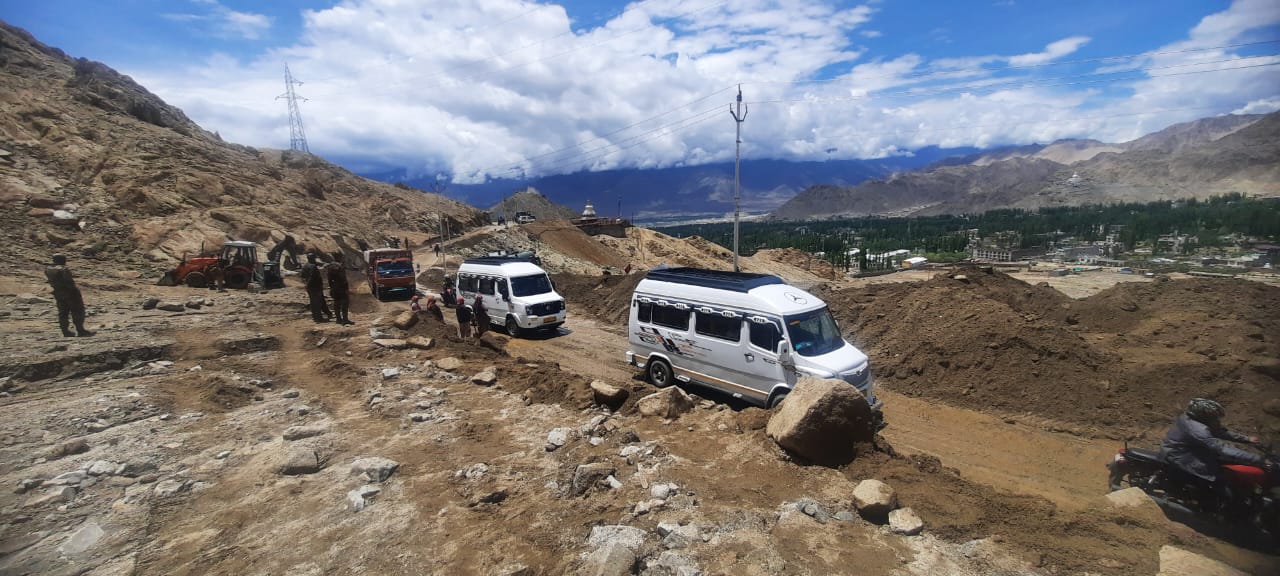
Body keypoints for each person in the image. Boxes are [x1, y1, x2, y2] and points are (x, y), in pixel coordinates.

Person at [1161, 398, 1266, 511]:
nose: (1216, 420)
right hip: (1180, 457)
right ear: (1203, 416)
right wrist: (1258, 459)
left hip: (1188, 450)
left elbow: (1219, 431)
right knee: (1219, 479)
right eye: (1213, 418)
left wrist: (1247, 439)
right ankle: (1212, 509)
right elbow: (1222, 449)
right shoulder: (1198, 430)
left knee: (1227, 462)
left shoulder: (1193, 419)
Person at [44, 254, 93, 337]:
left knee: (63, 312)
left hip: (58, 292)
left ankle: (65, 331)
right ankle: (80, 330)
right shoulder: (63, 269)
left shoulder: (48, 269)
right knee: (77, 311)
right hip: (70, 293)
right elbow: (69, 282)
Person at [301, 253, 331, 322]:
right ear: (313, 258)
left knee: (313, 302)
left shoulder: (305, 266)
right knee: (317, 303)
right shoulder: (313, 266)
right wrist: (309, 284)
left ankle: (316, 316)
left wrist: (306, 285)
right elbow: (312, 277)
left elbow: (302, 276)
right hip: (315, 287)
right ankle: (319, 318)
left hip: (310, 288)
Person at [327, 255, 351, 325]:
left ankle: (338, 319)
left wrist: (332, 287)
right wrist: (346, 289)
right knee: (344, 304)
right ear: (339, 258)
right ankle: (345, 319)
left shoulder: (330, 267)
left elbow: (329, 279)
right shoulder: (340, 267)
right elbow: (343, 279)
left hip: (334, 288)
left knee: (336, 304)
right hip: (341, 288)